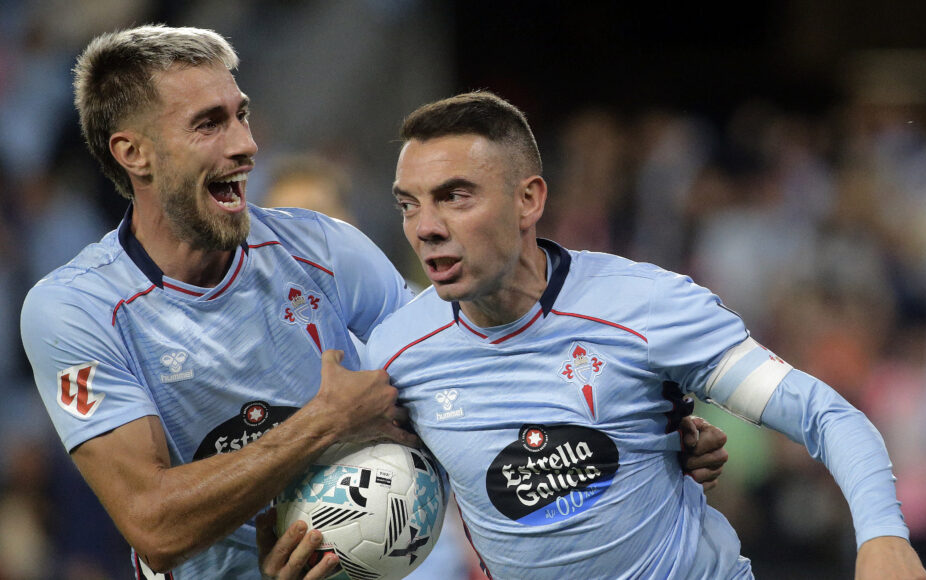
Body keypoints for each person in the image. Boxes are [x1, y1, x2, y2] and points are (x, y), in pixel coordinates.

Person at [20, 26, 728, 580]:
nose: (246, 145)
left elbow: (458, 373)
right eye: (209, 124)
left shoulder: (324, 252)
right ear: (134, 153)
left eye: (242, 115)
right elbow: (154, 526)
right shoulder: (78, 309)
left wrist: (634, 431)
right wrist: (323, 423)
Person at [352, 91, 926, 578]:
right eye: (409, 204)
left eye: (455, 196)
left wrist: (883, 535)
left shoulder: (646, 306)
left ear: (528, 199)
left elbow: (825, 415)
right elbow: (374, 494)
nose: (426, 228)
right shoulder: (397, 354)